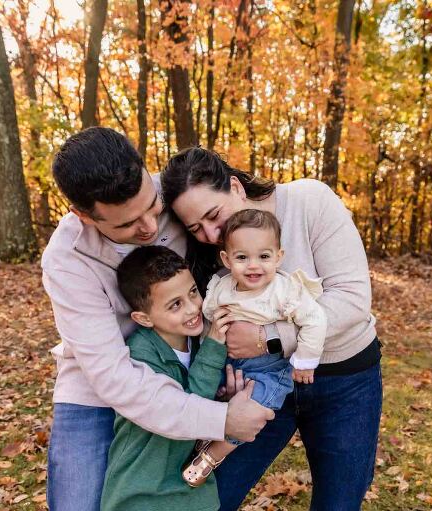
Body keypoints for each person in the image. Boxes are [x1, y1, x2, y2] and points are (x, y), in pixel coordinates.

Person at [41, 127, 273, 511]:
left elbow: (245, 225)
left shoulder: (177, 196)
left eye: (152, 208)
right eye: (127, 225)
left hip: (183, 368)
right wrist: (220, 419)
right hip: (98, 388)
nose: (149, 228)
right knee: (77, 503)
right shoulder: (66, 260)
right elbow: (114, 379)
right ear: (82, 215)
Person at [162, 147, 382, 511]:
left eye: (213, 215)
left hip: (344, 381)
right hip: (258, 385)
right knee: (213, 498)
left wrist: (269, 339)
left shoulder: (308, 202)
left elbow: (353, 299)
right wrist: (225, 374)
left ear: (235, 186)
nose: (212, 233)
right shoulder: (212, 256)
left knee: (339, 503)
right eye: (196, 228)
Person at [182, 209, 326, 488]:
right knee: (209, 397)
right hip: (228, 363)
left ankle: (212, 455)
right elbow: (209, 323)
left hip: (269, 369)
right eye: (242, 257)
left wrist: (305, 361)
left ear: (278, 257)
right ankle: (201, 435)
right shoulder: (221, 288)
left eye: (264, 256)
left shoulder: (284, 290)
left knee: (254, 407)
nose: (253, 266)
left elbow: (315, 319)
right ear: (226, 259)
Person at [100, 245, 233, 511]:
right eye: (175, 305)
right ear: (143, 318)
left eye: (193, 292)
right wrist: (215, 346)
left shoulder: (195, 341)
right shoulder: (140, 357)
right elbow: (188, 407)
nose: (192, 308)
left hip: (192, 491)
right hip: (141, 493)